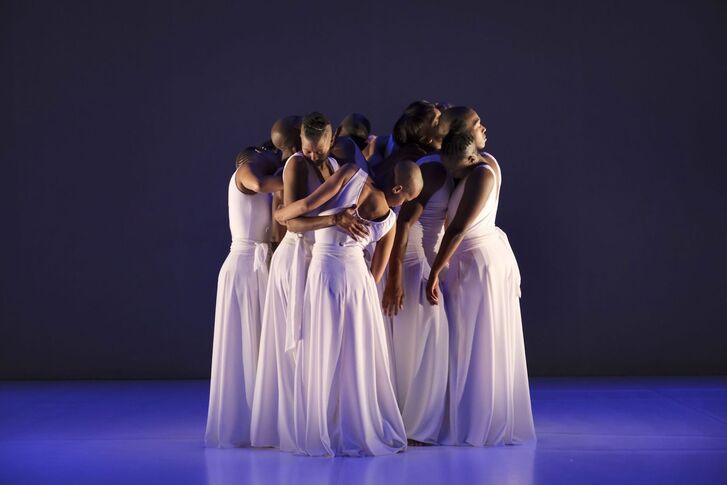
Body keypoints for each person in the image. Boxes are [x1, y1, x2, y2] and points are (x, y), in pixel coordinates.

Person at [275, 160, 424, 456]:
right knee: (355, 353)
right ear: (397, 189)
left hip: (324, 272)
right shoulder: (390, 221)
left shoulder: (349, 174)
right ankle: (356, 423)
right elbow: (377, 273)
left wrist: (281, 214)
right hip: (358, 282)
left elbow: (305, 206)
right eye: (406, 198)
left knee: (323, 346)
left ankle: (324, 423)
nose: (402, 204)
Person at [251, 112, 368, 452]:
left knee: (317, 339)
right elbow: (293, 222)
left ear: (331, 142)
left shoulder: (334, 162)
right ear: (300, 142)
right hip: (296, 257)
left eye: (319, 149)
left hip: (320, 259)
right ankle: (296, 423)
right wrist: (334, 219)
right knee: (297, 339)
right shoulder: (295, 166)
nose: (313, 155)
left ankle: (323, 418)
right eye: (307, 148)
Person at [426, 128, 536, 446]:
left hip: (478, 262)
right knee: (467, 337)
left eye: (457, 167)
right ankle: (467, 411)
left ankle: (480, 417)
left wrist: (435, 271)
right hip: (470, 259)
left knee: (478, 335)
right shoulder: (471, 169)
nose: (452, 174)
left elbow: (458, 228)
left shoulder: (481, 175)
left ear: (471, 158)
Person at [205, 146, 284, 447]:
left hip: (260, 267)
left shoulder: (269, 177)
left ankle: (262, 420)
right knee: (243, 343)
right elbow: (262, 185)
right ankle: (241, 422)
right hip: (243, 268)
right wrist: (297, 174)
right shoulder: (246, 170)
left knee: (261, 341)